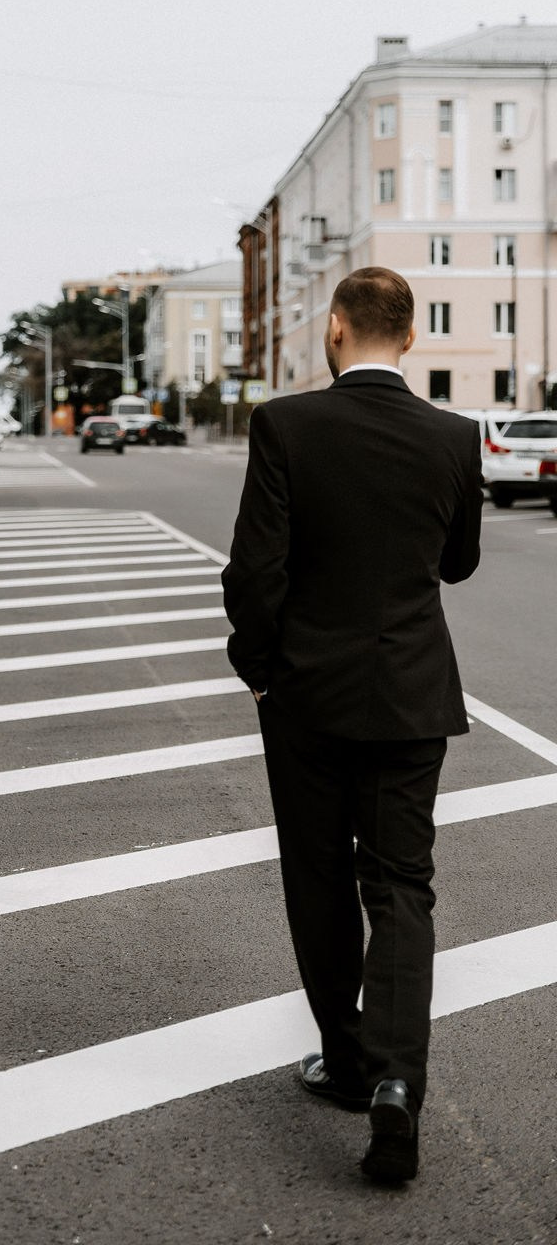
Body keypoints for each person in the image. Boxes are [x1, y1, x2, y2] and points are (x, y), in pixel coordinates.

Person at [222, 267, 482, 1183]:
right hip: (412, 692)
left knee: (321, 876)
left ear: (335, 329)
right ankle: (398, 1087)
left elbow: (256, 571)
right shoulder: (454, 435)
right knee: (404, 886)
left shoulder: (287, 425)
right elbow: (459, 563)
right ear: (409, 338)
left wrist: (258, 669)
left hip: (307, 695)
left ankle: (346, 1060)